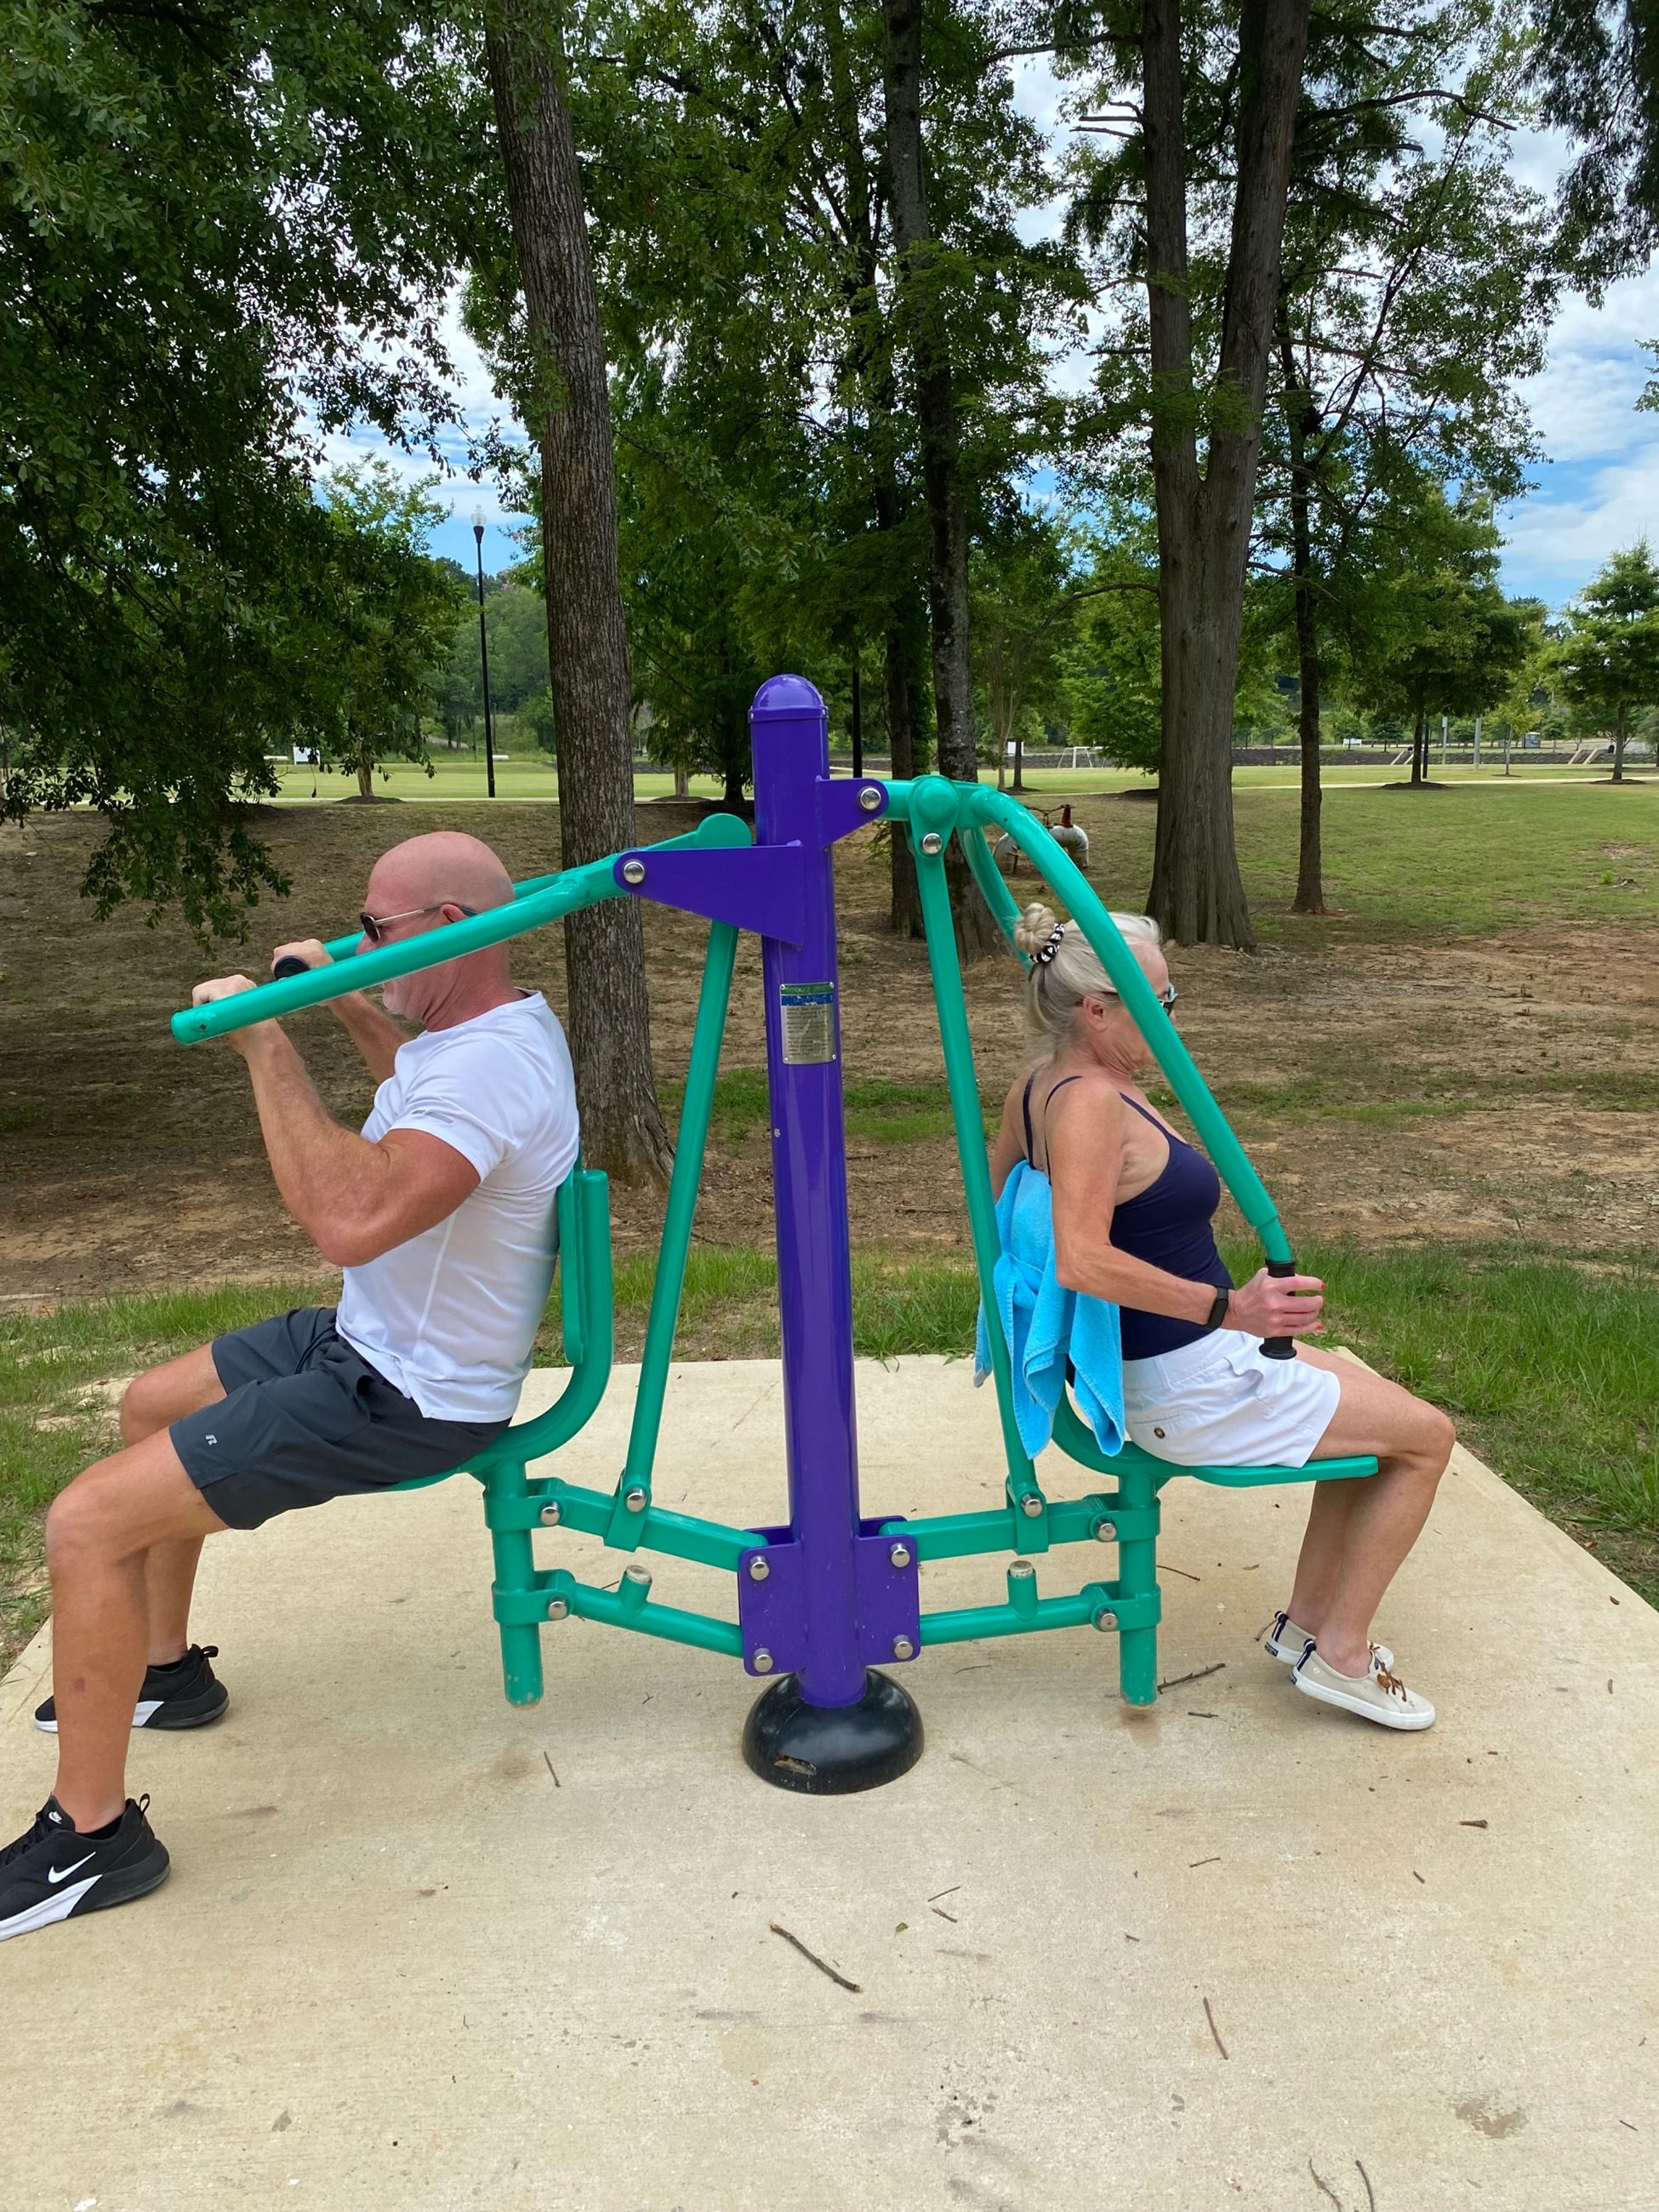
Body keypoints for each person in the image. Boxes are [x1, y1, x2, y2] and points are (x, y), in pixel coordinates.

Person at [0, 832, 579, 1941]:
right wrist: (345, 1000)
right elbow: (413, 1089)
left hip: (410, 1395)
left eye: (376, 932)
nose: (361, 941)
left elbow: (349, 1219)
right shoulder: (484, 1029)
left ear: (453, 930)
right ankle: (165, 1674)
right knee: (147, 1408)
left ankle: (91, 1838)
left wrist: (265, 1042)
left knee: (85, 1524)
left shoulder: (492, 1066)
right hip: (365, 1341)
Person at [991, 903, 1454, 1732]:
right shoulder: (1091, 1103)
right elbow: (1079, 1259)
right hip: (1187, 1379)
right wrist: (1228, 1306)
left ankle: (1307, 1628)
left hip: (1189, 1359)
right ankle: (1344, 1657)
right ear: (1097, 1009)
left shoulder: (1041, 1084)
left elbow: (1006, 1210)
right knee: (1427, 1438)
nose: (1174, 1020)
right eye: (1159, 1004)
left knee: (1379, 1414)